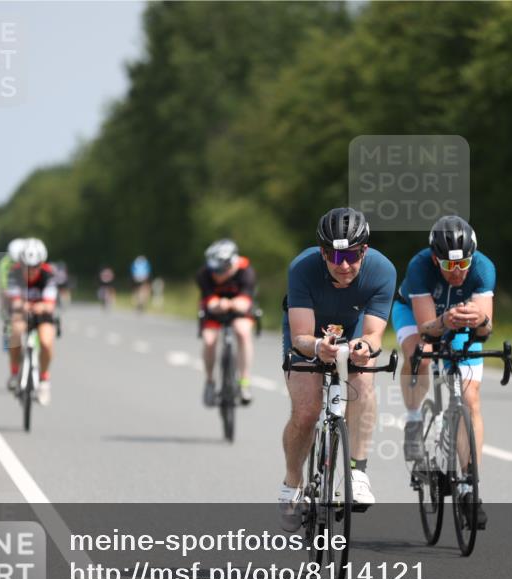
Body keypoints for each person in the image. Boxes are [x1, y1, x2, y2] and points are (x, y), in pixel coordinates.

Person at [278, 207, 395, 531]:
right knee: (306, 411)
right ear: (322, 252)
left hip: (354, 328)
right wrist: (318, 347)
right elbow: (301, 334)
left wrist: (364, 349)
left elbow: (373, 334)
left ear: (364, 250)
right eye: (334, 256)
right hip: (309, 335)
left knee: (364, 384)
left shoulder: (382, 270)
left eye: (352, 256)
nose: (343, 265)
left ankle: (357, 471)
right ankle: (291, 484)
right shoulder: (302, 268)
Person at [393, 215, 494, 528]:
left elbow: (486, 331)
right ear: (435, 260)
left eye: (463, 264)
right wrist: (444, 322)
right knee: (421, 357)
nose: (458, 272)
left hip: (458, 321)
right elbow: (426, 331)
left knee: (470, 399)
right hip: (415, 315)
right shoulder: (419, 266)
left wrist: (479, 320)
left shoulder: (483, 268)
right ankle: (413, 420)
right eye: (449, 266)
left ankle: (468, 485)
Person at [197, 239, 257, 406]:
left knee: (243, 332)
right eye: (213, 270)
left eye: (220, 270)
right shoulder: (204, 274)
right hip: (215, 308)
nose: (216, 275)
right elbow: (209, 301)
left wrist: (231, 304)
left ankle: (244, 382)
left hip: (239, 308)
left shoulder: (246, 271)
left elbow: (245, 301)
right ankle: (210, 382)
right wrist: (218, 304)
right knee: (209, 340)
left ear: (232, 264)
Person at [6, 239, 59, 406]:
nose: (30, 271)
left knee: (46, 342)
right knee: (15, 333)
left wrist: (40, 306)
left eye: (34, 267)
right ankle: (15, 373)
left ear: (40, 265)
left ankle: (44, 380)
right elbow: (13, 301)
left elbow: (50, 305)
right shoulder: (13, 273)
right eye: (26, 267)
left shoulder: (48, 274)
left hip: (42, 313)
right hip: (22, 312)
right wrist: (23, 305)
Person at [0, 238, 25, 351]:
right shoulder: (4, 263)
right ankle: (7, 333)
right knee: (6, 307)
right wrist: (7, 293)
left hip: (23, 287)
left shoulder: (27, 260)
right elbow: (3, 283)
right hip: (9, 288)